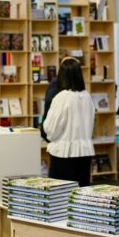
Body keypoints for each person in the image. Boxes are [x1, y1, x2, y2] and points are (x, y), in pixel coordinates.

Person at [42, 58, 95, 187]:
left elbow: (51, 129)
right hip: (85, 153)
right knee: (81, 195)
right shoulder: (87, 96)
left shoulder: (61, 97)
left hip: (63, 154)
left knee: (60, 197)